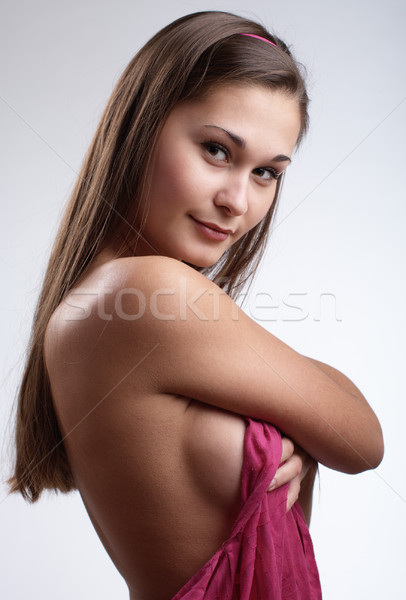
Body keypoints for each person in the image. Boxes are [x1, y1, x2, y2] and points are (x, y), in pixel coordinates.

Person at [8, 10, 384, 600]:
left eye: (266, 172)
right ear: (141, 126)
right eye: (215, 150)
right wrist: (307, 431)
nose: (238, 200)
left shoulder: (104, 300)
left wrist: (307, 439)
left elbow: (343, 433)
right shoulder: (147, 294)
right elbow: (363, 439)